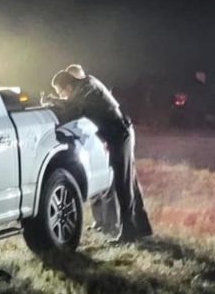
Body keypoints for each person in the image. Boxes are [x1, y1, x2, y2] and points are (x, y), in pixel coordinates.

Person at [43, 64, 152, 242]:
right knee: (129, 182)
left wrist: (53, 103)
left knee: (122, 184)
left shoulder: (87, 86)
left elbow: (71, 110)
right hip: (120, 132)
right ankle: (141, 227)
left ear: (69, 87)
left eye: (61, 92)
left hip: (119, 134)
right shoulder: (86, 86)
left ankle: (129, 232)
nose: (62, 95)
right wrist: (56, 101)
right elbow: (73, 105)